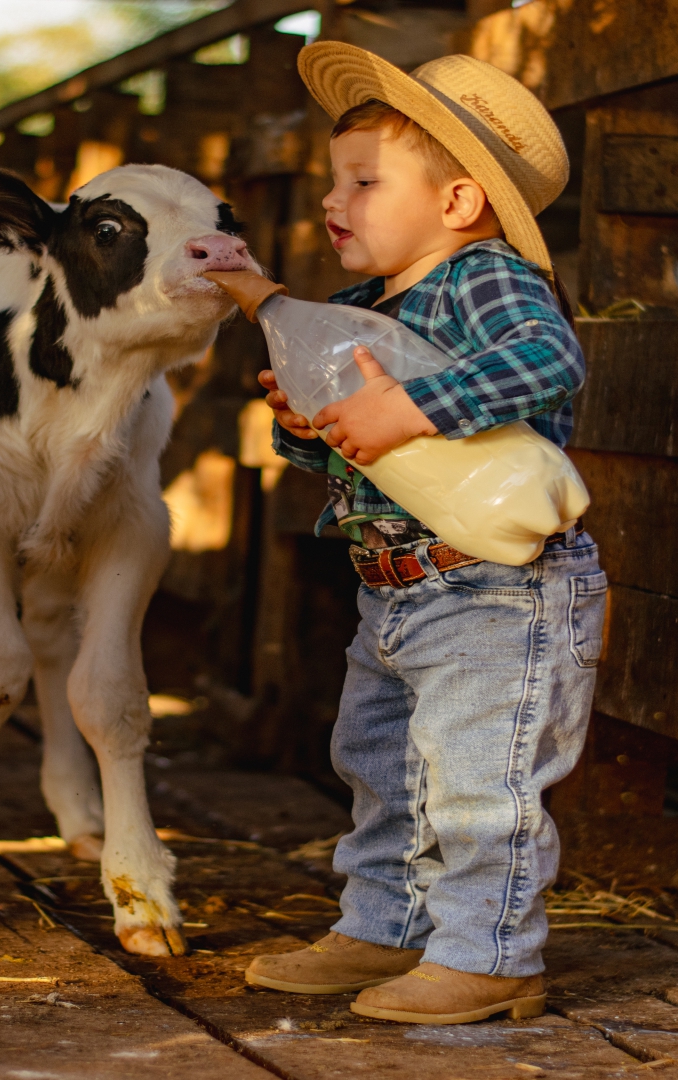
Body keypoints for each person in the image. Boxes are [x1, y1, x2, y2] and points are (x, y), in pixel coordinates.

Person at [243, 41, 607, 1025]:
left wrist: (411, 408)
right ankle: (383, 929)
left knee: (479, 779)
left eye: (364, 182)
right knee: (383, 766)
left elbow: (546, 361)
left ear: (457, 205)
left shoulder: (484, 277)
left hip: (497, 587)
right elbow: (340, 460)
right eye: (333, 181)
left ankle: (490, 955)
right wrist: (310, 421)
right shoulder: (359, 308)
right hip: (394, 585)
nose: (335, 200)